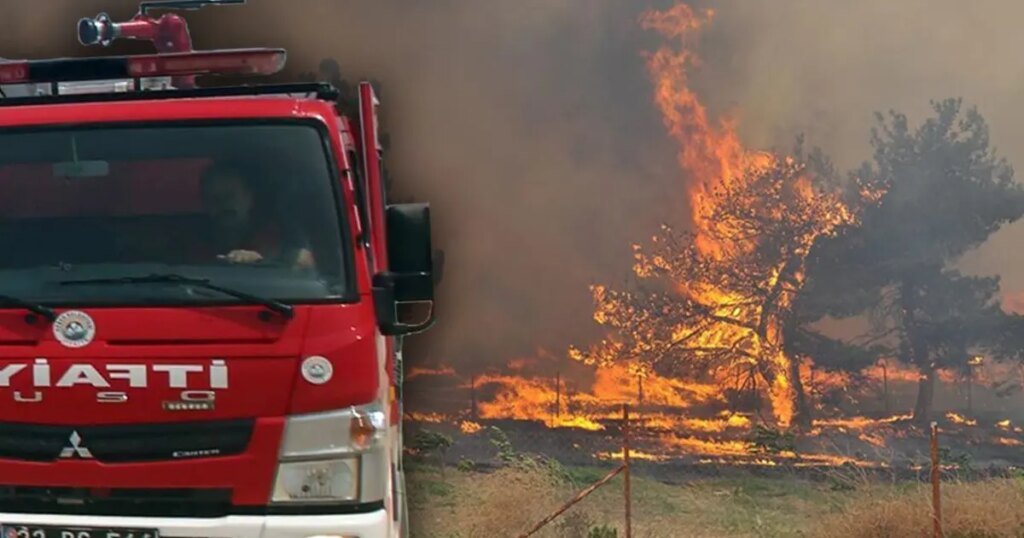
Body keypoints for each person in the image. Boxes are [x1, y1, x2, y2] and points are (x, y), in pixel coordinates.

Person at [198, 161, 314, 269]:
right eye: (213, 198)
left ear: (249, 198)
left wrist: (261, 262)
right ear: (205, 204)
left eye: (229, 196)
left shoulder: (278, 236)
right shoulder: (193, 242)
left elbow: (312, 263)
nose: (222, 204)